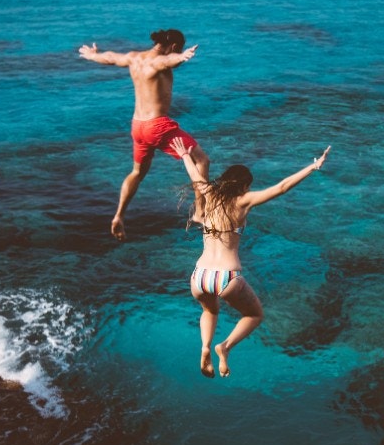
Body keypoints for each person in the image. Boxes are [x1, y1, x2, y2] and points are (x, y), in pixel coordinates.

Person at [170, 136, 331, 378]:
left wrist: (184, 155)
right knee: (255, 315)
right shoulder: (244, 201)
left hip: (199, 276)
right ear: (244, 186)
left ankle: (204, 347)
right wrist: (313, 166)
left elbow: (195, 176)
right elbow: (282, 187)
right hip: (226, 277)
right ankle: (224, 347)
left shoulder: (209, 193)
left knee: (210, 311)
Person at [78, 28, 207, 241]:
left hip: (138, 126)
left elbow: (111, 58)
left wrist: (93, 55)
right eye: (179, 49)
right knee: (202, 160)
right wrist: (182, 57)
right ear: (174, 46)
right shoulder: (159, 61)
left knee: (137, 172)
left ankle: (119, 216)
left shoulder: (134, 58)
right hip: (158, 126)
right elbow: (167, 62)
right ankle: (200, 212)